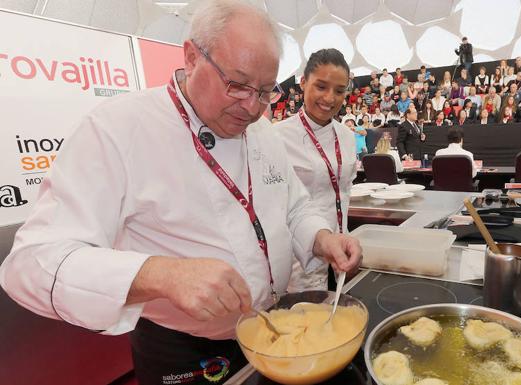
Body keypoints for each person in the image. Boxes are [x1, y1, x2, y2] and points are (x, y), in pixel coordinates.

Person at [0, 2, 363, 384]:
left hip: (271, 333)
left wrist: (321, 237)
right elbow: (31, 262)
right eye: (237, 85)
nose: (252, 107)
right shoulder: (118, 129)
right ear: (191, 57)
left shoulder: (262, 132)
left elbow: (293, 208)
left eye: (265, 91)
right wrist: (160, 274)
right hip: (184, 348)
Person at [276, 48, 358, 292]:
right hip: (299, 259)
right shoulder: (277, 137)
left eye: (339, 91)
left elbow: (343, 192)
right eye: (321, 86)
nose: (330, 98)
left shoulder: (347, 136)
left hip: (342, 251)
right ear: (303, 82)